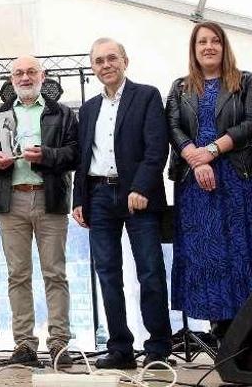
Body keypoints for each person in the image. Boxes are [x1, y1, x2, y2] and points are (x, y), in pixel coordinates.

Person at [165, 22, 252, 341]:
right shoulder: (179, 87)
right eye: (202, 42)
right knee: (206, 251)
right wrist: (196, 158)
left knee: (245, 247)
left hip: (239, 176)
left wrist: (212, 151)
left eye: (215, 41)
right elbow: (173, 127)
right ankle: (220, 325)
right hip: (194, 183)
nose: (208, 46)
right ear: (194, 49)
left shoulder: (243, 81)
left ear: (224, 46)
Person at [72, 39, 171, 370]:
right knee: (107, 274)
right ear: (93, 67)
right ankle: (120, 349)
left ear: (125, 60)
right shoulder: (87, 109)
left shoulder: (147, 96)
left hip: (137, 196)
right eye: (98, 61)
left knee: (150, 271)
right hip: (99, 197)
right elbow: (82, 157)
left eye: (111, 58)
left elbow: (157, 148)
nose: (105, 65)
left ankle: (158, 347)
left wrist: (141, 186)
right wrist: (79, 199)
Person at [0, 55, 78, 367]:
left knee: (55, 273)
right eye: (19, 73)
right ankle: (24, 344)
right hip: (11, 202)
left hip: (50, 200)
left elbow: (75, 154)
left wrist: (45, 155)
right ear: (11, 80)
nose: (25, 77)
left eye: (31, 72)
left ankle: (59, 344)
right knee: (17, 275)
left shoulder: (62, 114)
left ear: (42, 76)